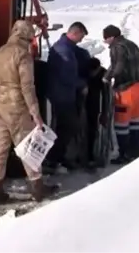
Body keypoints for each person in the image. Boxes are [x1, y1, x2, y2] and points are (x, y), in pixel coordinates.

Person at [0, 20, 58, 205]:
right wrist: (35, 113)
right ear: (27, 35)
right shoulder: (22, 55)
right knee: (28, 148)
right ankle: (38, 188)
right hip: (17, 108)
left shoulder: (1, 52)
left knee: (0, 148)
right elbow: (27, 87)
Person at [44, 21, 89, 174]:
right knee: (68, 126)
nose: (81, 40)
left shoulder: (67, 48)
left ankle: (58, 157)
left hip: (63, 94)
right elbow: (67, 76)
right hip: (62, 96)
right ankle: (54, 159)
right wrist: (83, 84)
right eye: (81, 37)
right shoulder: (64, 50)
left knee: (64, 127)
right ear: (74, 33)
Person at [102, 25, 139, 165]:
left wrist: (107, 78)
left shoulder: (117, 47)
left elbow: (118, 66)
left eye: (106, 39)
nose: (105, 42)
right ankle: (135, 152)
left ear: (111, 37)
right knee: (134, 121)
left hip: (127, 89)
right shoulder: (131, 44)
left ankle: (125, 155)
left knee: (121, 123)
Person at [84, 57, 109, 167]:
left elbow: (106, 96)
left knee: (95, 130)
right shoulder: (85, 73)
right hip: (87, 103)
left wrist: (104, 112)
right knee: (88, 130)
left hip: (96, 104)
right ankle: (87, 155)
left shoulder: (103, 76)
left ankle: (94, 155)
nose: (92, 74)